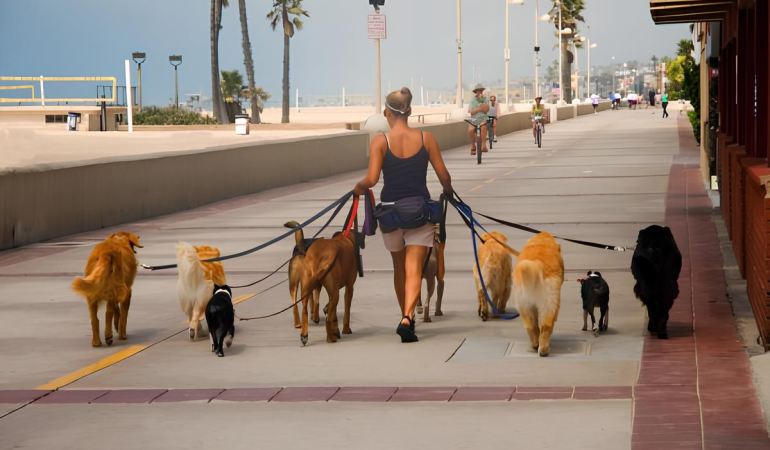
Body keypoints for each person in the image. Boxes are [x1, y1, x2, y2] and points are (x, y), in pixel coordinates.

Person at [353, 87, 453, 343]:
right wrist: (448, 191)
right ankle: (408, 317)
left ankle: (404, 316)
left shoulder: (380, 142)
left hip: (390, 214)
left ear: (387, 112)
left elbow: (372, 179)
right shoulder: (426, 139)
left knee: (399, 267)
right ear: (409, 111)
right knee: (413, 268)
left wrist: (359, 188)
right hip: (419, 212)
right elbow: (444, 176)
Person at [467, 83, 490, 155]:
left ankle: (483, 145)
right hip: (474, 118)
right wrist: (480, 108)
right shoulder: (472, 101)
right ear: (476, 92)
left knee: (483, 126)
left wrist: (481, 104)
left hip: (483, 118)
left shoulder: (485, 99)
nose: (480, 92)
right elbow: (471, 112)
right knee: (470, 130)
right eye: (478, 90)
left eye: (481, 90)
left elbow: (486, 110)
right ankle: (473, 144)